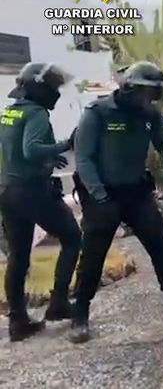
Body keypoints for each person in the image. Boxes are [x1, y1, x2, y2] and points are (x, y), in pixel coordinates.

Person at [69, 62, 163, 344]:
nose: (151, 99)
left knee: (161, 248)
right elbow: (83, 158)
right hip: (102, 196)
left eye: (156, 93)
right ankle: (79, 315)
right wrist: (99, 195)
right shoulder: (98, 112)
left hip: (137, 194)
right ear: (130, 88)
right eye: (147, 92)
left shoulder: (150, 115)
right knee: (93, 255)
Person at [0, 62, 81, 341]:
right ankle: (59, 303)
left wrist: (49, 159)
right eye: (53, 87)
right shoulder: (36, 114)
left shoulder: (10, 112)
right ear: (39, 88)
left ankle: (18, 321)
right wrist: (64, 145)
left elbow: (14, 151)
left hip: (8, 191)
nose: (56, 92)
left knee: (18, 256)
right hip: (32, 192)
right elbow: (31, 150)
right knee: (72, 238)